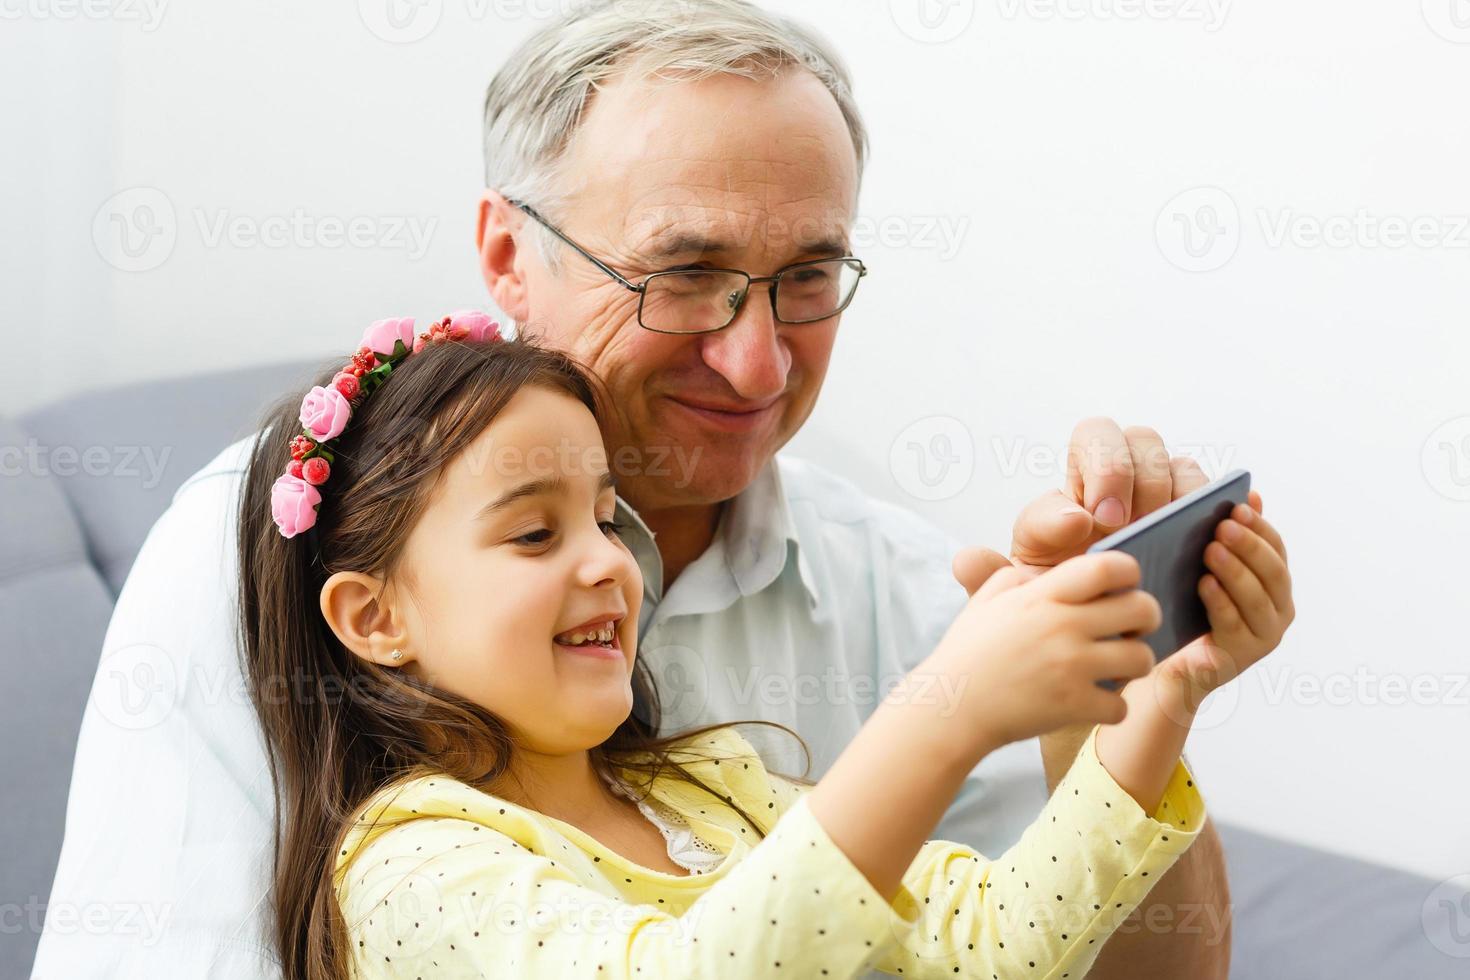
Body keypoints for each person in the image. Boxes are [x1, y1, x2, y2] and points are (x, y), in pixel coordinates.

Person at [33, 2, 1283, 977]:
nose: (758, 359)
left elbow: (1018, 944)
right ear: (509, 255)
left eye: (808, 274)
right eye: (682, 273)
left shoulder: (747, 737)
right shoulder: (279, 602)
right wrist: (946, 708)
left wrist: (1129, 694)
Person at [233, 318, 1285, 978]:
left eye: (607, 517)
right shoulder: (412, 864)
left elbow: (991, 947)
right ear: (374, 616)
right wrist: (946, 708)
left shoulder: (707, 786)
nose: (606, 561)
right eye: (533, 532)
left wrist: (1143, 706)